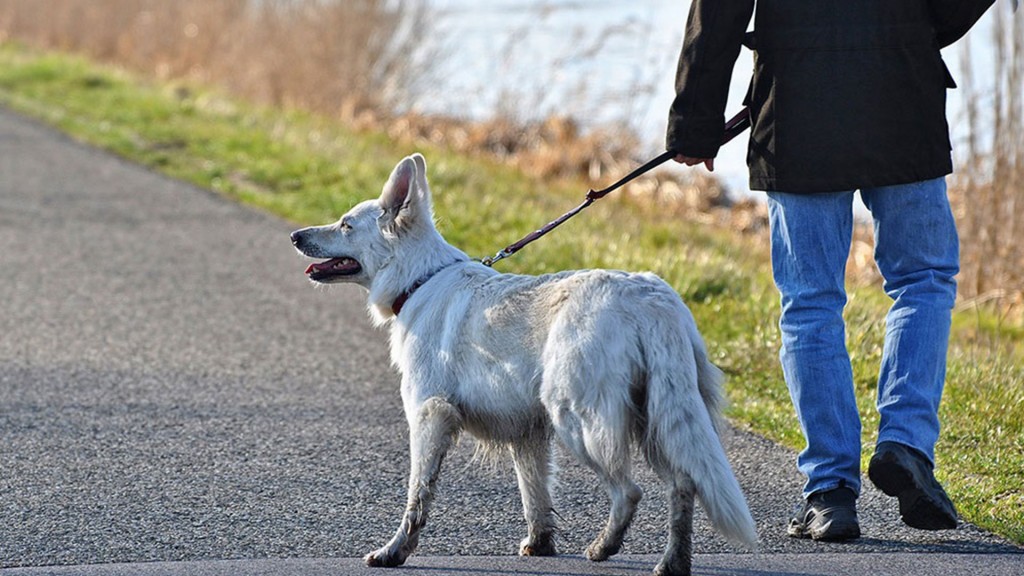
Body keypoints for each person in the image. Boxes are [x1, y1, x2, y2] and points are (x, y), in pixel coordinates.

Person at [666, 0, 996, 541]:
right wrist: (917, 25)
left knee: (810, 301)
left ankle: (829, 494)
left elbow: (718, 9)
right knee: (924, 281)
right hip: (900, 85)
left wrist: (694, 121)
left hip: (798, 105)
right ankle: (906, 442)